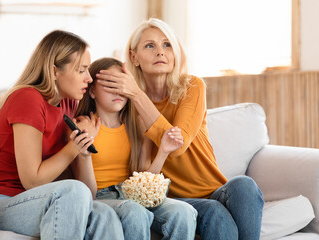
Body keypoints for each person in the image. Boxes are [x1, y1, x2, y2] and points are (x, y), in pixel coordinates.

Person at [95, 18, 264, 240]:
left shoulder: (192, 87)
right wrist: (136, 96)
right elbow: (161, 157)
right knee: (215, 213)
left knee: (244, 185)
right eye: (150, 45)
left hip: (215, 190)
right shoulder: (129, 109)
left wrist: (137, 94)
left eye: (167, 45)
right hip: (175, 198)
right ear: (134, 57)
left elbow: (179, 143)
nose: (160, 52)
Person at [0, 30, 124, 240]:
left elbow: (88, 193)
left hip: (44, 200)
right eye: (82, 70)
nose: (89, 77)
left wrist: (84, 151)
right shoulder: (27, 99)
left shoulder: (69, 104)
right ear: (55, 71)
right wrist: (72, 147)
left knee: (105, 215)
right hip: (1, 203)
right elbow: (32, 180)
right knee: (72, 192)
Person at [73, 57, 197, 240]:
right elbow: (87, 194)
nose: (118, 91)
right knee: (134, 211)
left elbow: (143, 181)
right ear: (92, 91)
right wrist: (84, 154)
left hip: (131, 194)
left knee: (185, 211)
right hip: (100, 198)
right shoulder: (83, 126)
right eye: (110, 85)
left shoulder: (137, 124)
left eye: (122, 85)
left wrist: (163, 151)